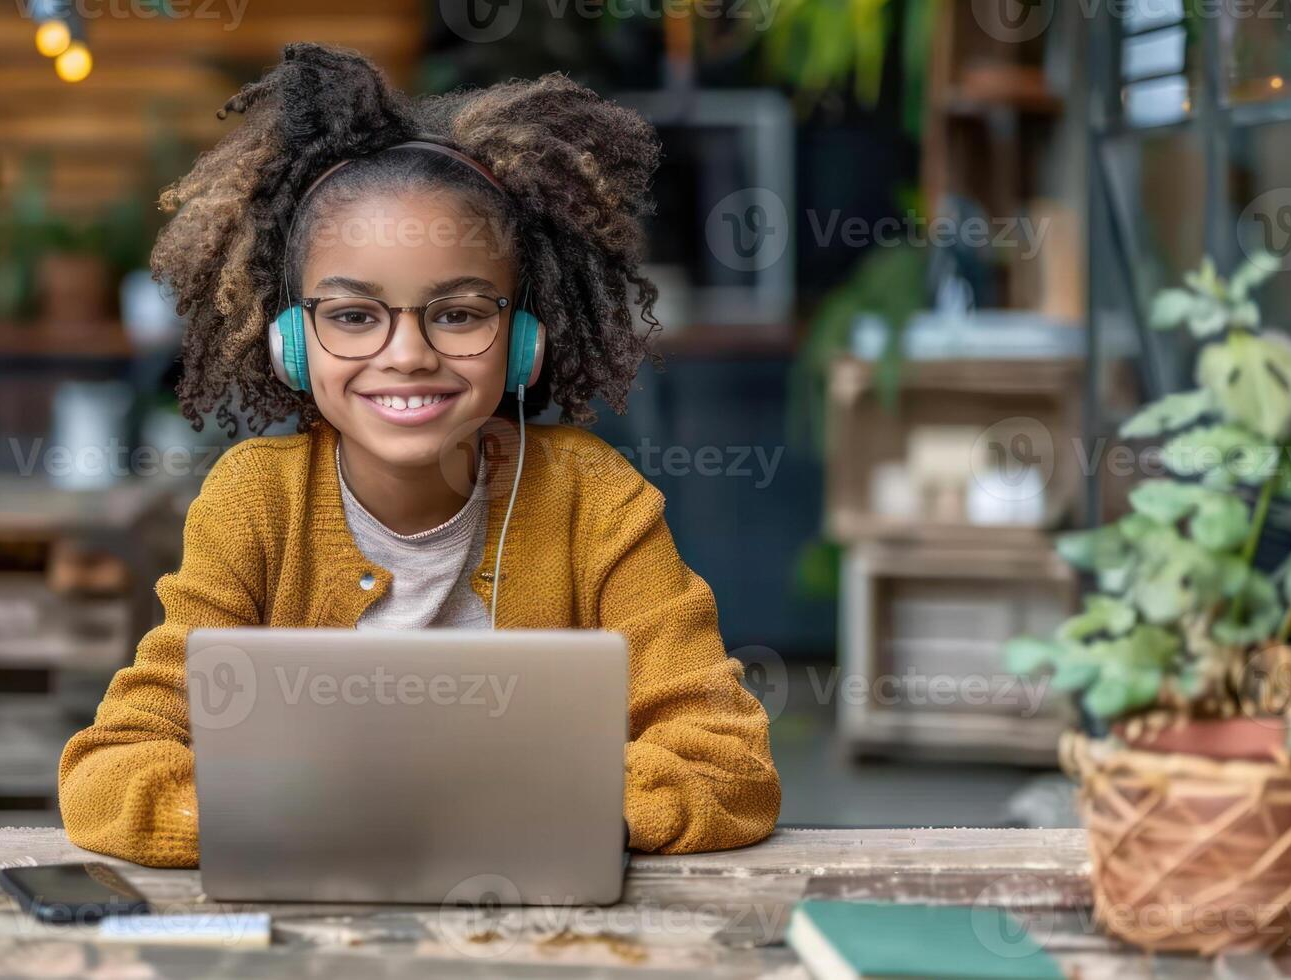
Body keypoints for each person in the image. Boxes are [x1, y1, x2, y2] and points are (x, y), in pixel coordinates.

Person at [59, 43, 779, 868]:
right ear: (293, 344)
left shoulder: (594, 499)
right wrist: (294, 821)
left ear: (521, 343)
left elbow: (728, 763)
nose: (406, 354)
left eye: (460, 314)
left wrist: (548, 816)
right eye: (354, 316)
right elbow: (108, 772)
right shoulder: (254, 502)